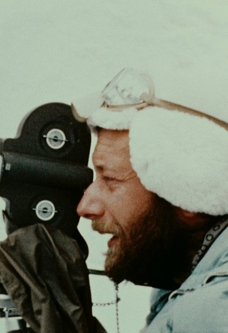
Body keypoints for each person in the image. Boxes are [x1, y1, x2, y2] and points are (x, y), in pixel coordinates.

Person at [75, 68, 228, 332]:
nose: (85, 207)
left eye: (110, 179)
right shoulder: (189, 282)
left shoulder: (210, 310)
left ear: (188, 193)